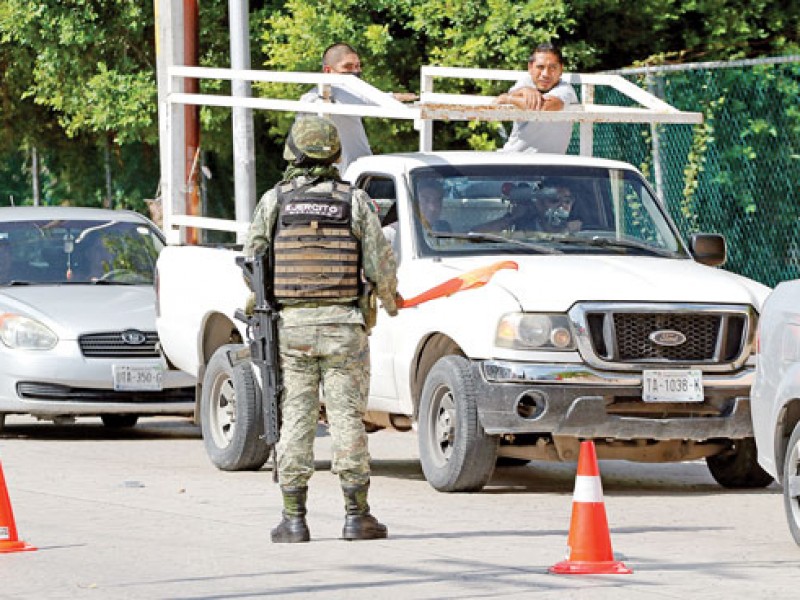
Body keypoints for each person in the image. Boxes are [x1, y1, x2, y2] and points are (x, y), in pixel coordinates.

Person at [244, 115, 402, 544]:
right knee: (347, 418)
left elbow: (253, 261)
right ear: (334, 153)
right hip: (344, 328)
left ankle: (293, 519)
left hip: (292, 329)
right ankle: (357, 516)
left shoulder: (274, 201)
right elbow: (380, 263)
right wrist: (390, 301)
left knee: (296, 417)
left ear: (293, 151)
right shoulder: (354, 201)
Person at [298, 43, 417, 174]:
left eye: (357, 66)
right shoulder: (318, 97)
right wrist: (396, 98)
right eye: (348, 67)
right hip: (341, 176)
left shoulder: (310, 98)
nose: (355, 71)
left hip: (358, 173)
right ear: (328, 71)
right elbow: (370, 99)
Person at [496, 42, 578, 154]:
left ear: (561, 69)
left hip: (548, 164)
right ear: (530, 67)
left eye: (553, 67)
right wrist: (524, 90)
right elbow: (508, 95)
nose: (545, 74)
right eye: (540, 67)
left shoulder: (565, 90)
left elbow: (542, 107)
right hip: (512, 158)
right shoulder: (526, 82)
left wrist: (508, 99)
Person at [475, 182, 580, 234]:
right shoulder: (522, 228)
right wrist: (512, 218)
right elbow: (475, 234)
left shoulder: (580, 230)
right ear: (539, 204)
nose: (562, 206)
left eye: (567, 201)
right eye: (554, 200)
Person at [383, 177, 449, 257]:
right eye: (425, 200)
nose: (432, 208)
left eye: (437, 201)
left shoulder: (443, 228)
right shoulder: (390, 234)